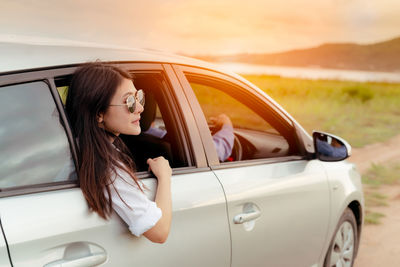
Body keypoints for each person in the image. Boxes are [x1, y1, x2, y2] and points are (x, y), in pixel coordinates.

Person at [66, 62, 172, 243]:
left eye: (139, 97)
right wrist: (165, 176)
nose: (140, 108)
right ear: (98, 114)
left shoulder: (76, 147)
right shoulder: (109, 169)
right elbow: (159, 232)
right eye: (129, 101)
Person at [145, 114, 234, 162]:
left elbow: (147, 127)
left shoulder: (142, 136)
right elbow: (216, 150)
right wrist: (227, 124)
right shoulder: (172, 140)